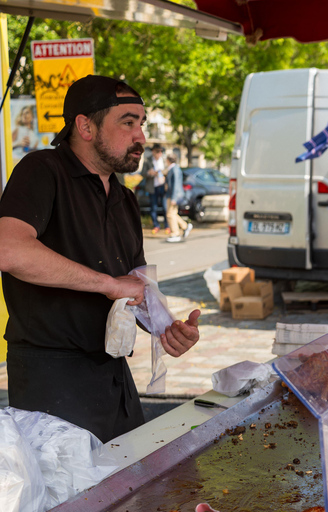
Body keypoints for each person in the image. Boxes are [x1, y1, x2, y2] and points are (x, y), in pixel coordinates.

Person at [0, 75, 201, 443]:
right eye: (128, 122)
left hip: (114, 373)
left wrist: (165, 327)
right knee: (72, 481)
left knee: (132, 473)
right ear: (85, 126)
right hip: (51, 376)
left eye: (141, 123)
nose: (141, 136)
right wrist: (108, 285)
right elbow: (9, 250)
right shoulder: (42, 169)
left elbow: (135, 282)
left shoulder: (124, 198)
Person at [165, 153, 192, 243]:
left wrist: (174, 198)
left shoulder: (174, 169)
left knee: (170, 214)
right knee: (173, 213)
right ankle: (185, 226)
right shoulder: (173, 169)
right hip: (171, 195)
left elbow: (176, 184)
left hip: (173, 195)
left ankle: (175, 233)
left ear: (168, 160)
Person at [141, 143, 168, 234]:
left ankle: (167, 225)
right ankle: (156, 225)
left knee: (165, 207)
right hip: (153, 187)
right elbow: (143, 173)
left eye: (161, 151)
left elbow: (168, 171)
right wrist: (149, 173)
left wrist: (162, 173)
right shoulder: (147, 160)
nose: (159, 153)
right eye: (157, 151)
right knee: (153, 207)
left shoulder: (164, 160)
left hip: (162, 186)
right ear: (153, 152)